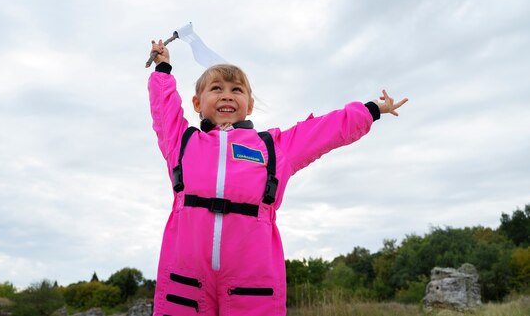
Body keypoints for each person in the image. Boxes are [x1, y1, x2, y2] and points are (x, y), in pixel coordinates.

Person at [147, 39, 407, 316]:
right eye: (216, 89)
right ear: (198, 103)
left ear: (249, 106)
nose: (227, 95)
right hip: (186, 278)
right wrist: (163, 67)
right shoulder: (182, 143)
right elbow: (164, 110)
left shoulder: (273, 148)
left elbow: (323, 131)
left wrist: (371, 110)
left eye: (237, 90)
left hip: (252, 281)